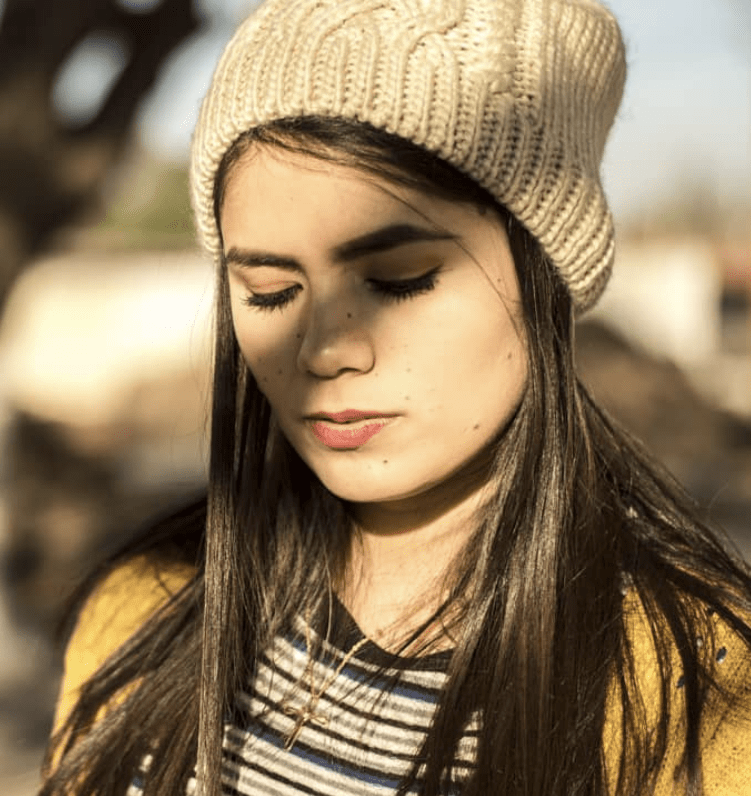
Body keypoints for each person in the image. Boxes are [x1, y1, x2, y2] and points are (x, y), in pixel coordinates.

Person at [38, 0, 751, 793]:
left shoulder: (708, 691)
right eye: (270, 291)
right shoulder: (143, 613)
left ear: (544, 275)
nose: (327, 348)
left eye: (400, 280)